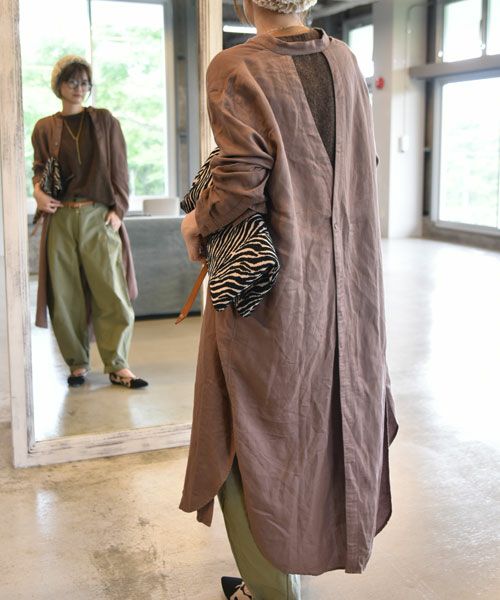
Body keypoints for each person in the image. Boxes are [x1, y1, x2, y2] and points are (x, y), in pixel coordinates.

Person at [180, 1, 398, 598]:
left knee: (244, 429)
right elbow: (363, 161)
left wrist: (196, 223)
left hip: (270, 290)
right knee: (320, 421)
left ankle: (271, 589)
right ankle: (284, 573)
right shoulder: (345, 60)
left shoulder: (236, 65)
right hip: (349, 285)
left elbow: (239, 179)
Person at [31, 55, 148, 389]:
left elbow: (120, 167)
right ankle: (77, 363)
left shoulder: (104, 120)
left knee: (112, 289)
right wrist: (38, 193)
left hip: (98, 215)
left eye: (84, 82)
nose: (79, 88)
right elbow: (38, 169)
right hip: (60, 216)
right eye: (72, 81)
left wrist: (118, 210)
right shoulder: (44, 127)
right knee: (64, 293)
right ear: (58, 85)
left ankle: (118, 364)